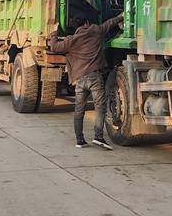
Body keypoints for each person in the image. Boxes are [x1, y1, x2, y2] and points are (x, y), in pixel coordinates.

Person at [47, 13, 123, 149]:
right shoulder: (95, 31)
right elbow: (109, 23)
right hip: (94, 77)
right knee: (100, 107)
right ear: (86, 23)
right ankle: (98, 137)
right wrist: (120, 16)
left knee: (79, 110)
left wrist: (54, 33)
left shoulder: (71, 40)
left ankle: (80, 140)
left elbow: (54, 47)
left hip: (79, 80)